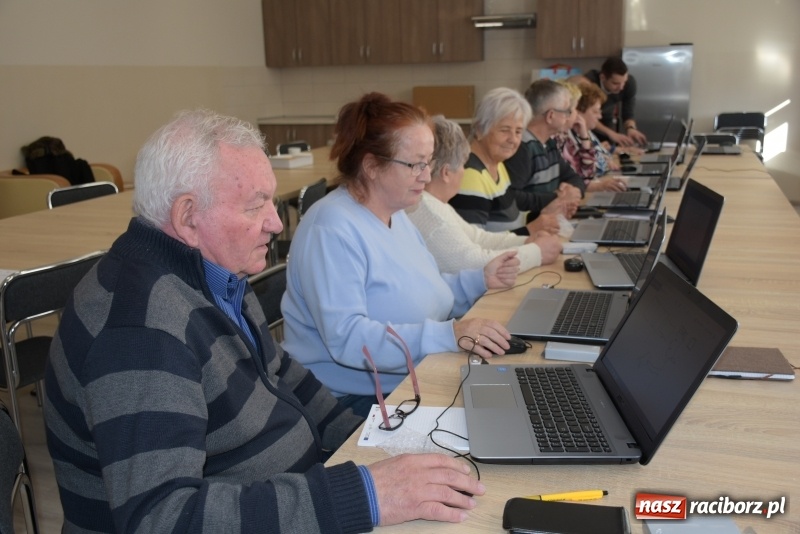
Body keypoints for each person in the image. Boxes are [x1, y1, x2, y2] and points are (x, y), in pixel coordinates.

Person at [44, 109, 485, 534]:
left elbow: (282, 372)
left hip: (293, 489)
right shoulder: (139, 330)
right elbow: (163, 518)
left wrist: (374, 441)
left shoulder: (214, 274)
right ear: (188, 216)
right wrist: (364, 493)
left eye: (271, 202)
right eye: (256, 207)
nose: (276, 223)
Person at [281, 93, 519, 418]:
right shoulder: (332, 228)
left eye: (429, 162)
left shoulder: (396, 213)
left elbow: (422, 289)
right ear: (372, 166)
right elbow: (349, 339)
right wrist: (447, 334)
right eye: (415, 164)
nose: (426, 175)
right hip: (346, 400)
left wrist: (478, 281)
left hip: (404, 376)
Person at [407, 115, 562, 274]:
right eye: (462, 165)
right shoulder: (431, 213)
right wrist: (537, 252)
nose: (464, 171)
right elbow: (474, 263)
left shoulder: (435, 204)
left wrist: (526, 241)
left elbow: (478, 238)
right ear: (446, 172)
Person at [448, 87, 569, 236]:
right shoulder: (470, 174)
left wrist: (541, 215)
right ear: (479, 129)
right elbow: (474, 246)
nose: (513, 140)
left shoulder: (498, 164)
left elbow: (511, 219)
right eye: (504, 130)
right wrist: (531, 229)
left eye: (518, 132)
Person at [503, 79, 585, 217]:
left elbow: (573, 177)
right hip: (528, 233)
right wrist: (557, 198)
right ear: (551, 115)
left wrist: (575, 191)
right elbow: (510, 197)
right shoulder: (522, 148)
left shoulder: (549, 144)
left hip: (547, 226)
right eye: (566, 111)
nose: (569, 116)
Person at [557, 81, 627, 192]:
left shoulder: (582, 133)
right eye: (595, 111)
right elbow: (590, 172)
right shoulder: (563, 138)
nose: (600, 116)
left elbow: (592, 170)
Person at [579, 56, 648, 147]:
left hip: (607, 119)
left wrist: (631, 128)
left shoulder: (629, 84)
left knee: (610, 147)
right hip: (587, 123)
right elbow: (585, 115)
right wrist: (611, 133)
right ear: (603, 77)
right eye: (615, 83)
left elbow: (628, 112)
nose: (621, 87)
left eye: (624, 82)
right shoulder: (589, 83)